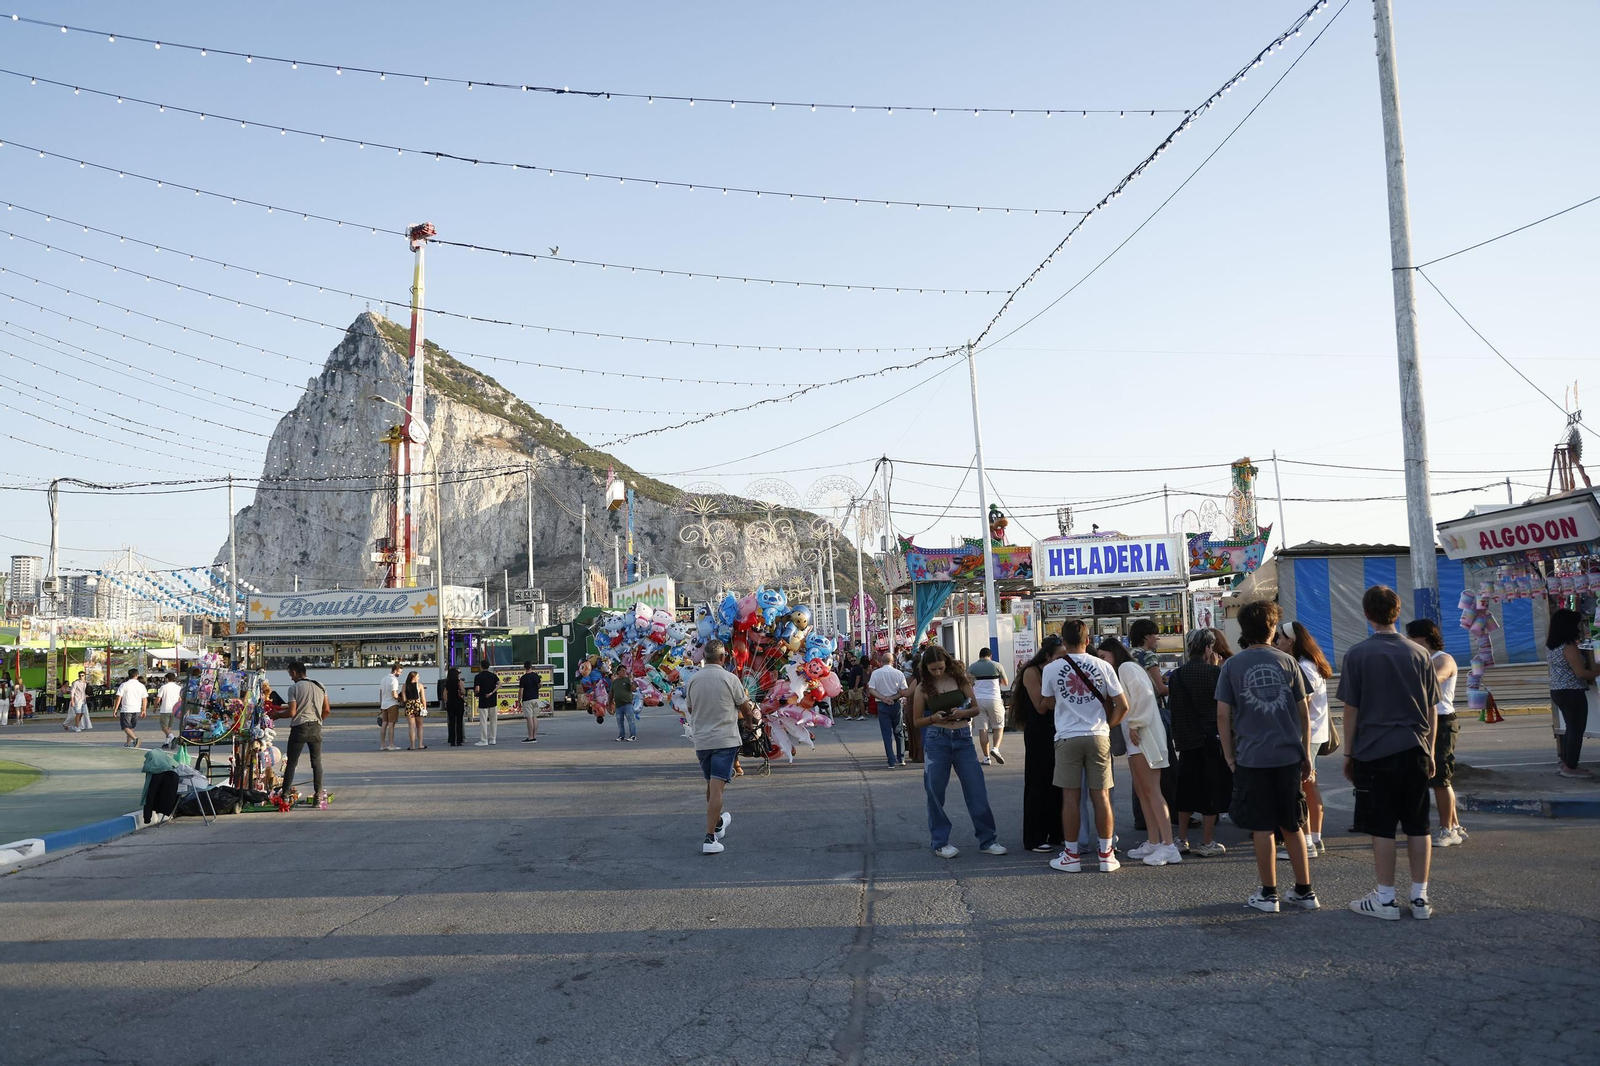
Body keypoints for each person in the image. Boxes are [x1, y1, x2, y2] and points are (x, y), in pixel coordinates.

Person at [1339, 585, 1442, 921]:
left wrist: (1348, 753)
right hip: (1416, 747)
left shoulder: (1358, 654)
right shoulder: (1420, 653)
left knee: (1382, 827)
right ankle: (1420, 897)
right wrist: (1430, 750)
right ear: (1397, 612)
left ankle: (1385, 898)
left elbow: (1351, 710)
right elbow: (1432, 708)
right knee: (1418, 825)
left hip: (1374, 751)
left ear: (1367, 614)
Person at [1217, 601, 1318, 915]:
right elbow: (1304, 713)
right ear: (1273, 629)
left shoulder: (1232, 666)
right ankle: (1304, 890)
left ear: (1244, 629)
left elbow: (1222, 715)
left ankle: (1268, 893)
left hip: (1251, 757)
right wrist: (1306, 753)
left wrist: (1229, 756)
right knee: (1292, 823)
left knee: (1261, 826)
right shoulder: (1289, 663)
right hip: (1288, 755)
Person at [1041, 620, 1128, 873]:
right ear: (1088, 640)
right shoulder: (1104, 666)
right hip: (1098, 735)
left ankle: (1071, 855)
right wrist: (1107, 727)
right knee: (1101, 796)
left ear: (1063, 641)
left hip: (1067, 737)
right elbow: (1123, 705)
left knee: (1071, 797)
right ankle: (1106, 855)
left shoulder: (1052, 668)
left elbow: (1047, 702)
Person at [911, 645, 1006, 859]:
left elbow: (975, 708)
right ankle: (940, 842)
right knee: (935, 793)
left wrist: (962, 713)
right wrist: (933, 718)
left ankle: (988, 840)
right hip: (937, 739)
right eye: (933, 669)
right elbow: (917, 721)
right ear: (926, 668)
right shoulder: (922, 687)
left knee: (976, 790)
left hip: (963, 738)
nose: (938, 672)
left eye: (941, 667)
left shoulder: (960, 679)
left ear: (947, 663)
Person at [1100, 637, 1178, 866]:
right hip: (1137, 738)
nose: (1102, 661)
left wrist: (1135, 723)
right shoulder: (1126, 668)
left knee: (1152, 792)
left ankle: (1169, 845)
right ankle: (1154, 842)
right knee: (1144, 792)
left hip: (1143, 737)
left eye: (1104, 656)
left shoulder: (1126, 667)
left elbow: (1144, 696)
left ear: (1114, 653)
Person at [685, 640, 752, 854]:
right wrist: (749, 723)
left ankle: (718, 823)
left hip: (702, 741)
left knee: (711, 786)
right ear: (723, 658)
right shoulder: (730, 679)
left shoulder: (693, 680)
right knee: (716, 789)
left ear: (704, 658)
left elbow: (690, 707)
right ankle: (709, 837)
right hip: (724, 740)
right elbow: (745, 707)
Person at [1168, 628, 1231, 857]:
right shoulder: (1214, 673)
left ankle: (1182, 839)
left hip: (1186, 741)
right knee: (1209, 791)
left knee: (1185, 790)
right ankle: (1206, 842)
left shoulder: (1176, 675)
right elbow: (1223, 707)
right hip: (1210, 740)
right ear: (1207, 648)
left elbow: (1174, 708)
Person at [1403, 618, 1465, 845]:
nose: (1408, 641)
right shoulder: (1417, 659)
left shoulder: (1443, 659)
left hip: (1442, 721)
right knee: (1432, 776)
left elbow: (1436, 680)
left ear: (1424, 637)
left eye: (1411, 636)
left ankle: (1447, 830)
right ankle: (1455, 825)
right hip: (1421, 721)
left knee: (1440, 777)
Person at [1275, 621, 1334, 857]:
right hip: (1314, 733)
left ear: (1291, 640)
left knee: (1299, 788)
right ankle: (1315, 839)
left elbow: (1303, 707)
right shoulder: (1310, 664)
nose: (1277, 641)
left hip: (1305, 735)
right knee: (1310, 785)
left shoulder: (1304, 667)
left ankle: (1307, 843)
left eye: (1280, 637)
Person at [1126, 618, 1177, 833]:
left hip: (1132, 715)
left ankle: (1142, 817)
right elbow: (1161, 689)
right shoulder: (1148, 656)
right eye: (1155, 634)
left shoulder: (1128, 655)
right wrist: (1176, 682)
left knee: (1140, 771)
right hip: (1152, 715)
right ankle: (1172, 815)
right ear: (1146, 636)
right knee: (1164, 767)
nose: (1158, 638)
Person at [1016, 636, 1066, 852]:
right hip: (1039, 731)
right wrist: (1055, 684)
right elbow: (1041, 706)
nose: (1065, 661)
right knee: (1038, 782)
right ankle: (1034, 837)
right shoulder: (1032, 671)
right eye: (1060, 657)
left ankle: (1057, 832)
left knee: (1058, 783)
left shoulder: (1061, 670)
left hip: (1059, 728)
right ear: (1048, 656)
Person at [270, 661, 330, 809]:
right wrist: (319, 721)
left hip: (299, 728)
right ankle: (318, 796)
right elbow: (327, 710)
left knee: (291, 763)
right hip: (316, 727)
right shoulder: (320, 686)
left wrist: (277, 715)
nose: (291, 677)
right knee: (316, 762)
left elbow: (292, 712)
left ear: (295, 672)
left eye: (290, 674)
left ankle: (284, 796)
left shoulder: (294, 688)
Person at [1546, 607, 1597, 779]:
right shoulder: (1569, 647)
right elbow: (1581, 673)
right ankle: (1571, 766)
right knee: (1576, 730)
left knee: (1571, 728)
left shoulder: (1552, 646)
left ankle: (1566, 762)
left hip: (1558, 690)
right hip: (1572, 692)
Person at [968, 647, 1010, 765]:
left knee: (983, 729)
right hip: (994, 699)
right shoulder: (997, 666)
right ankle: (995, 749)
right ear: (990, 656)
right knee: (999, 726)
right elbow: (1005, 683)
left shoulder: (973, 667)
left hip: (978, 700)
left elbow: (968, 683)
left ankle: (986, 758)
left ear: (980, 656)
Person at [867, 653, 909, 769]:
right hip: (896, 703)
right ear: (893, 661)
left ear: (881, 661)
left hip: (882, 704)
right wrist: (892, 698)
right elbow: (903, 690)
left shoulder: (876, 673)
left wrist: (883, 698)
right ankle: (901, 758)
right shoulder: (899, 673)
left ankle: (891, 761)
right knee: (899, 732)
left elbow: (871, 689)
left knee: (886, 734)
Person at [115, 668, 148, 748]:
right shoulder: (141, 686)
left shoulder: (124, 685)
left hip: (126, 709)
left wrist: (115, 709)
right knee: (131, 727)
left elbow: (119, 697)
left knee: (125, 727)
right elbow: (144, 699)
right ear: (137, 675)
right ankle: (128, 743)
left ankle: (135, 739)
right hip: (136, 709)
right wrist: (144, 710)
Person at [473, 661, 500, 746]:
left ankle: (484, 740)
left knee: (483, 721)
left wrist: (475, 693)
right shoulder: (493, 676)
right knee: (493, 720)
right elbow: (499, 684)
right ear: (488, 667)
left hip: (483, 700)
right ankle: (493, 738)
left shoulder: (478, 676)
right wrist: (492, 692)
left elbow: (477, 689)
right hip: (493, 700)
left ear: (481, 666)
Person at [439, 666, 467, 747]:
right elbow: (463, 691)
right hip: (459, 703)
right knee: (459, 722)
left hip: (450, 703)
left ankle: (452, 740)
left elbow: (445, 694)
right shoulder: (459, 682)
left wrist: (446, 701)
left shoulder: (447, 683)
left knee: (451, 722)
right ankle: (459, 740)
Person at [154, 672, 184, 749]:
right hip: (174, 709)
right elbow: (180, 699)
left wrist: (155, 707)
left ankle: (173, 738)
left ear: (167, 679)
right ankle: (167, 742)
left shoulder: (163, 687)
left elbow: (158, 698)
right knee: (169, 727)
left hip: (165, 709)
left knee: (164, 727)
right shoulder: (178, 688)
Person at [377, 663, 402, 752]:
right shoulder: (394, 680)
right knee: (391, 724)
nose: (400, 674)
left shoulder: (384, 679)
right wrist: (401, 699)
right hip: (392, 704)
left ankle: (383, 745)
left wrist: (381, 704)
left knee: (384, 724)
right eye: (400, 672)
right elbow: (394, 694)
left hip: (384, 704)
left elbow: (381, 693)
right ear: (395, 671)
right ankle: (391, 744)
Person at [401, 670, 428, 750]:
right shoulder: (419, 685)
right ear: (414, 677)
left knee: (411, 726)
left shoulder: (404, 686)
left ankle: (412, 745)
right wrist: (425, 708)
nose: (419, 678)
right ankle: (420, 744)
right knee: (420, 726)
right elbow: (423, 698)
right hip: (418, 705)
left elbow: (404, 699)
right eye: (417, 676)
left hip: (409, 705)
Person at [612, 667, 639, 742]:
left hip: (627, 704)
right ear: (618, 672)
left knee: (631, 720)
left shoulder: (627, 680)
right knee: (619, 721)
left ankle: (633, 735)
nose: (624, 672)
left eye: (625, 671)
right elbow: (611, 692)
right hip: (618, 705)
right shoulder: (615, 682)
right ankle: (621, 735)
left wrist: (631, 681)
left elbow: (633, 689)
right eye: (622, 670)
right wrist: (609, 703)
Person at [518, 662, 543, 743]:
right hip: (535, 698)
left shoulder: (523, 678)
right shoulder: (536, 676)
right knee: (535, 718)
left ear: (524, 667)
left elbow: (521, 691)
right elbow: (540, 684)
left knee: (529, 719)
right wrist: (536, 688)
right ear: (531, 667)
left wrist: (519, 700)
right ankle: (534, 736)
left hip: (527, 699)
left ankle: (530, 737)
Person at [838, 654, 865, 722]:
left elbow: (858, 677)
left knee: (859, 700)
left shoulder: (858, 667)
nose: (852, 662)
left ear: (857, 660)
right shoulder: (853, 668)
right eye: (851, 661)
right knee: (852, 701)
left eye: (854, 660)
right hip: (851, 687)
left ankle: (863, 715)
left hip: (857, 687)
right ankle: (852, 715)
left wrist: (856, 686)